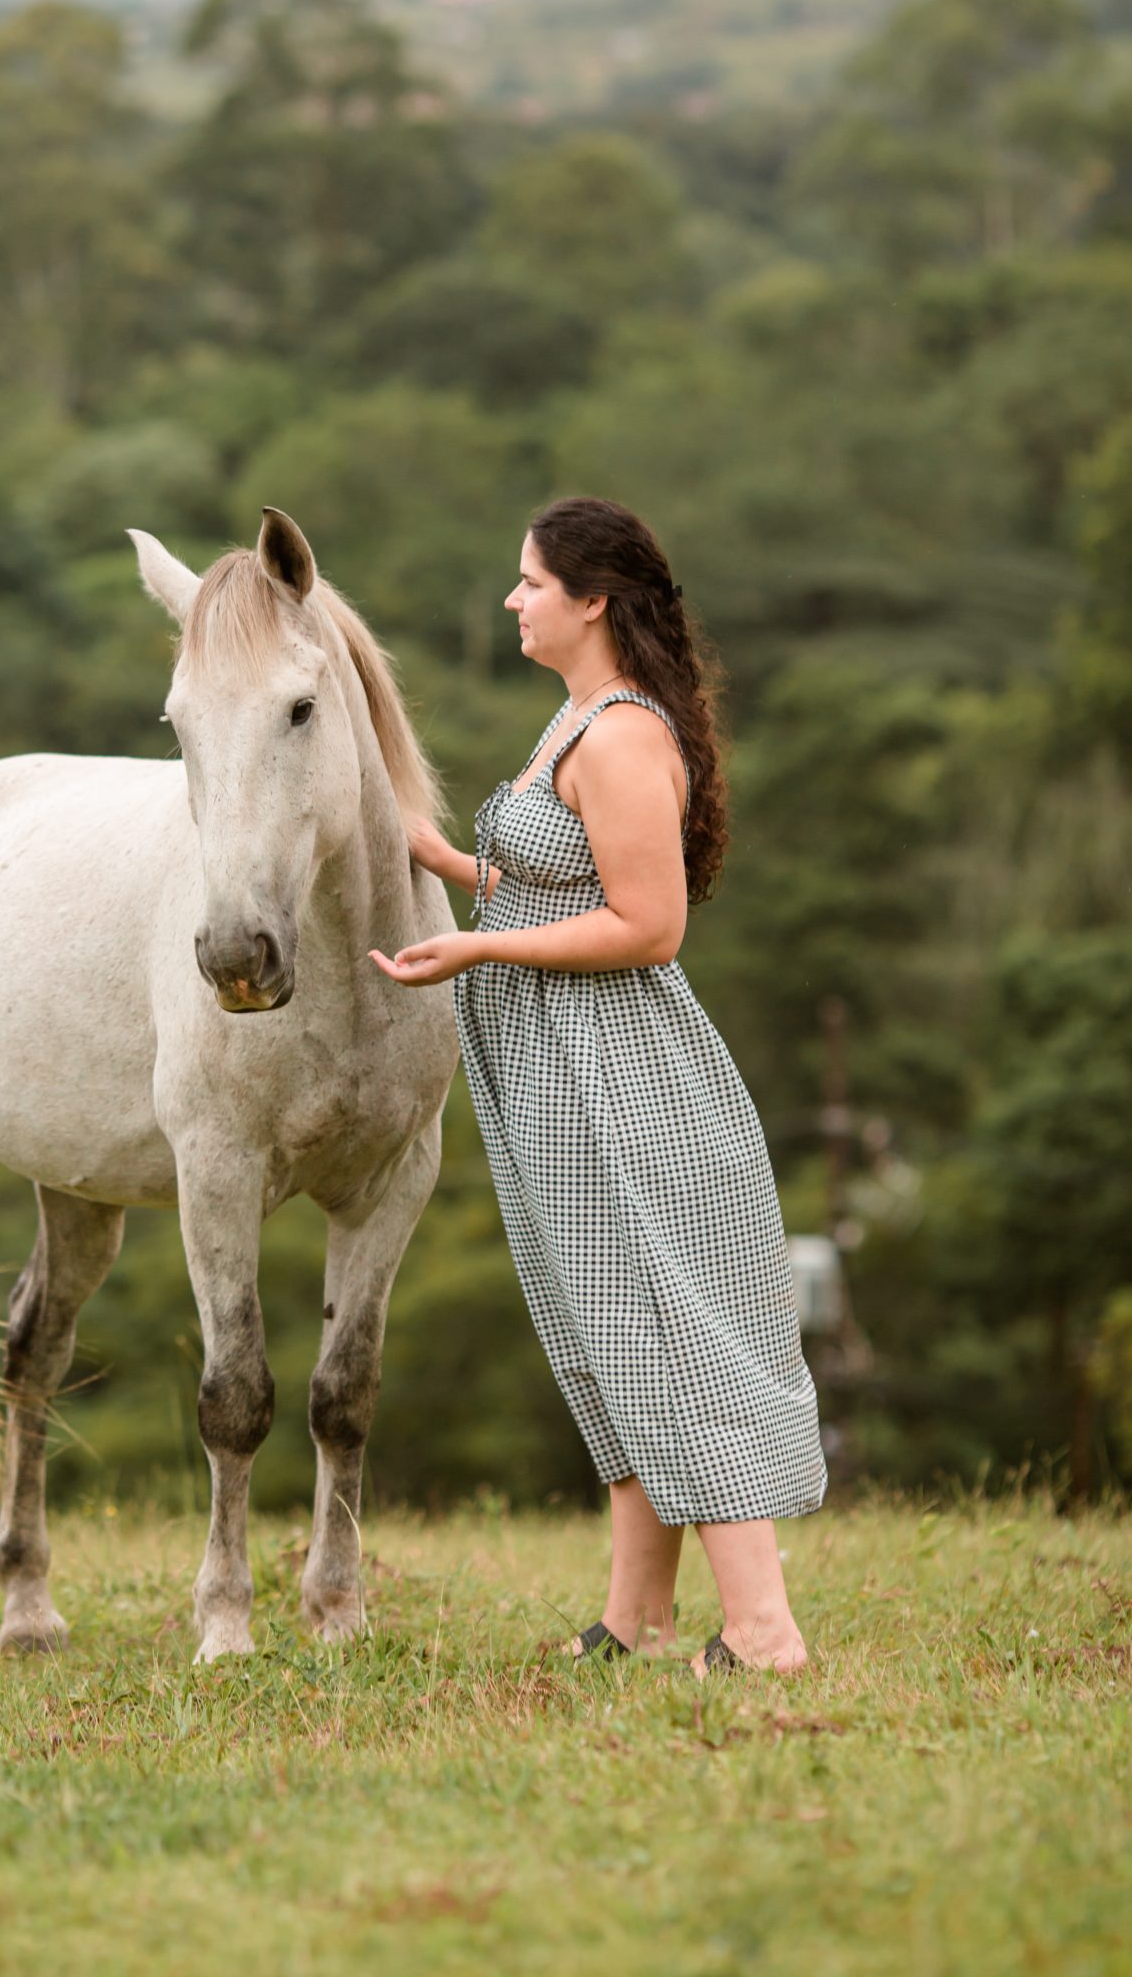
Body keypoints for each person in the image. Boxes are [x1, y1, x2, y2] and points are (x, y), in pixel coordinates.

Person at [369, 495, 824, 1677]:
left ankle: (766, 1633)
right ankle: (637, 1621)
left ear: (593, 600)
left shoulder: (620, 736)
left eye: (528, 582)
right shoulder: (573, 723)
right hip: (561, 1084)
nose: (511, 600)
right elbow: (554, 885)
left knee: (677, 1332)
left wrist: (475, 945)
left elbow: (648, 925)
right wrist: (443, 861)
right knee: (606, 1335)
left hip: (624, 1079)